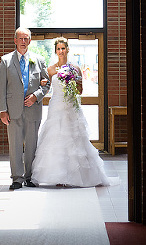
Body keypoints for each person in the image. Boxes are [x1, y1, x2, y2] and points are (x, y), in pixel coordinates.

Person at [31, 37, 117, 187]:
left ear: (68, 49)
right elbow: (45, 87)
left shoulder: (75, 68)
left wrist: (73, 81)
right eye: (58, 49)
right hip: (56, 105)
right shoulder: (50, 69)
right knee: (55, 137)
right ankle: (57, 176)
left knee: (74, 137)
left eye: (63, 48)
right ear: (55, 51)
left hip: (71, 105)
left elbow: (80, 90)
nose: (61, 51)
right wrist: (42, 83)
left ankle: (78, 176)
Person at [0, 27, 51, 190]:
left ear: (30, 41)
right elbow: (1, 88)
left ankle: (29, 176)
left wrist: (36, 96)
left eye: (26, 38)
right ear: (15, 40)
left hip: (33, 109)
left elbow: (46, 84)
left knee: (31, 145)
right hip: (12, 111)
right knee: (14, 145)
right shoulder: (6, 61)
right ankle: (17, 178)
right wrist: (2, 110)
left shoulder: (39, 60)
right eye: (20, 39)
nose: (23, 41)